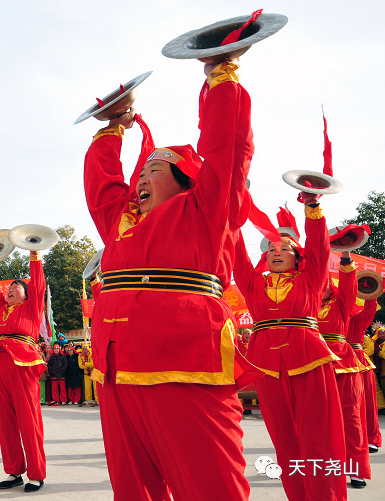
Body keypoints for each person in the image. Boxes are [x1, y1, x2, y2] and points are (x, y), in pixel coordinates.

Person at [84, 60, 253, 500]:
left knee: (210, 483)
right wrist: (113, 128)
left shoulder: (205, 211)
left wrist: (221, 78)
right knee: (133, 486)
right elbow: (102, 184)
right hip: (115, 367)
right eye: (139, 174)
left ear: (185, 183)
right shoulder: (120, 223)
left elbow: (226, 151)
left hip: (183, 358)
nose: (139, 179)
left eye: (153, 171)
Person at [233, 196, 347, 500]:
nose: (276, 252)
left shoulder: (310, 280)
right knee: (284, 441)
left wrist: (312, 209)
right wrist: (230, 205)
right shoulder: (254, 284)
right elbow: (235, 254)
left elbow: (320, 247)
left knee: (319, 437)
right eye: (271, 249)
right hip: (266, 366)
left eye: (284, 249)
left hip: (309, 359)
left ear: (298, 256)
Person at [0, 250, 47, 492]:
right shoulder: (1, 309)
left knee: (29, 420)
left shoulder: (32, 308)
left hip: (23, 364)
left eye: (15, 287)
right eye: (7, 287)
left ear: (26, 294)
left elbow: (38, 284)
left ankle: (37, 473)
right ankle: (13, 470)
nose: (8, 290)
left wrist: (34, 256)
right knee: (7, 422)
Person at [316, 257, 371, 488]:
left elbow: (349, 286)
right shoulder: (305, 304)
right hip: (314, 364)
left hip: (344, 364)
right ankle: (324, 468)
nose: (323, 287)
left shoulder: (341, 303)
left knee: (351, 418)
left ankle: (355, 470)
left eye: (326, 283)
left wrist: (346, 259)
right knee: (317, 421)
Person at [348, 299, 381, 453]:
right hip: (332, 359)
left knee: (366, 401)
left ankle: (370, 438)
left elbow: (370, 309)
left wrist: (372, 293)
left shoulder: (356, 318)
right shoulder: (322, 312)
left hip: (357, 360)